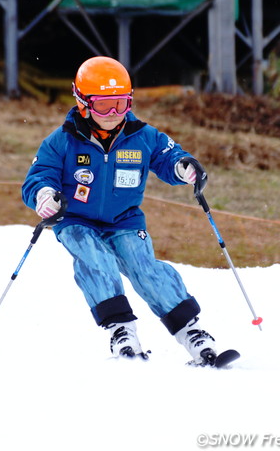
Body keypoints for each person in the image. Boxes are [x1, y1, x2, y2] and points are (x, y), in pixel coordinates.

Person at [22, 56, 222, 365]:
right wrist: (44, 195)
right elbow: (38, 177)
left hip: (125, 220)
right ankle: (121, 330)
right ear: (83, 103)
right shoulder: (61, 141)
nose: (114, 114)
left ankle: (191, 331)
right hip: (76, 219)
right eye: (104, 106)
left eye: (121, 103)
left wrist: (184, 168)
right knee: (95, 260)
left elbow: (170, 157)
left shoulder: (142, 136)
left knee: (144, 268)